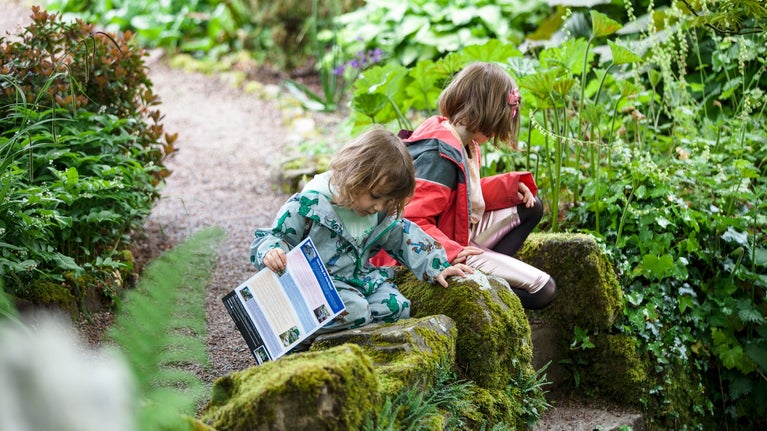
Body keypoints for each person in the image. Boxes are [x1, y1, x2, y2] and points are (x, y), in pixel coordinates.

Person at [250, 127, 473, 333]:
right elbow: (274, 237)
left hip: (359, 281)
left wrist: (436, 266)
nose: (378, 207)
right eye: (375, 197)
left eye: (387, 202)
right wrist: (272, 251)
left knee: (397, 307)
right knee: (356, 310)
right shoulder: (310, 205)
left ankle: (345, 336)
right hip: (316, 286)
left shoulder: (377, 214)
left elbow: (403, 236)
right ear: (355, 177)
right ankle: (299, 333)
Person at [389, 61, 556, 309]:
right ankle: (476, 296)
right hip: (429, 252)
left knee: (530, 207)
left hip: (456, 231)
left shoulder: (464, 141)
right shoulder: (439, 154)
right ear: (487, 113)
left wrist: (510, 188)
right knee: (544, 289)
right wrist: (451, 251)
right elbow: (410, 221)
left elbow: (460, 195)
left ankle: (483, 275)